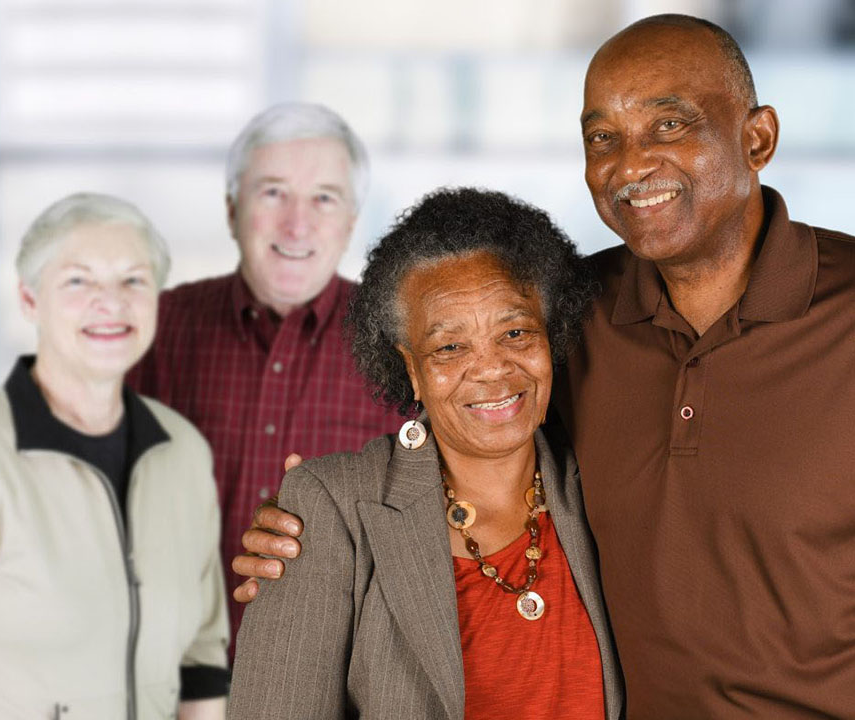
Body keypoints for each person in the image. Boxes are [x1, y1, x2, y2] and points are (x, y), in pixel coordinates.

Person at [235, 15, 855, 720]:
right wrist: (315, 525)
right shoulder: (577, 315)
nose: (631, 165)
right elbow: (466, 406)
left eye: (669, 125)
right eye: (603, 138)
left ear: (758, 136)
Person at [228, 187, 622, 718]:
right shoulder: (331, 508)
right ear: (411, 369)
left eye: (516, 331)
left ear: (551, 339)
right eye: (450, 347)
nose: (492, 368)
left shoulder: (598, 483)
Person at [126, 102, 400, 654]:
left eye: (324, 198)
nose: (297, 224)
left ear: (350, 222)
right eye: (272, 192)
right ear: (231, 211)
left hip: (328, 685)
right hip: (163, 672)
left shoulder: (401, 346)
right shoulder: (152, 327)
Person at [0, 193, 228, 718]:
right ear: (30, 300)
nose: (112, 302)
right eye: (78, 281)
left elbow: (201, 656)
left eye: (133, 280)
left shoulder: (183, 450)